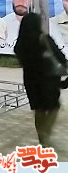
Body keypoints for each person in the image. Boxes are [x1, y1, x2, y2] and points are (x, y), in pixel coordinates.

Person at [14, 12, 67, 147]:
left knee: (38, 109)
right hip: (48, 80)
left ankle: (42, 139)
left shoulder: (20, 44)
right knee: (54, 107)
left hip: (30, 80)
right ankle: (45, 135)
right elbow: (60, 57)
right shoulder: (44, 38)